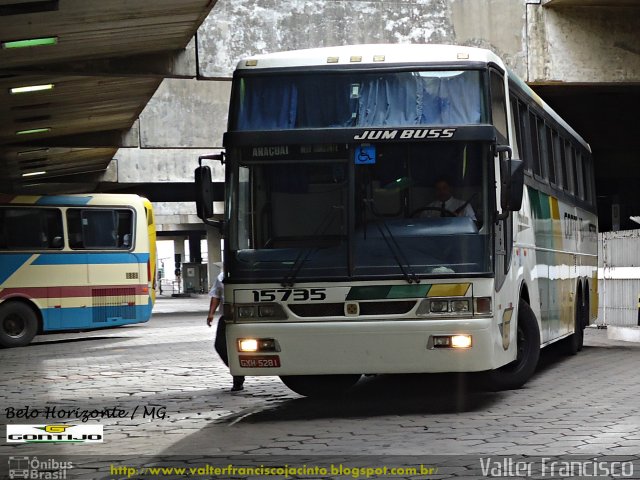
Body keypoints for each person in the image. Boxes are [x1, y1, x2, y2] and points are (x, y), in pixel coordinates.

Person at [207, 270, 245, 392]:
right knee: (220, 346)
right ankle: (238, 372)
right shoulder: (222, 276)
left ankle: (238, 379)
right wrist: (211, 314)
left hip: (246, 318)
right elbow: (216, 295)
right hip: (228, 318)